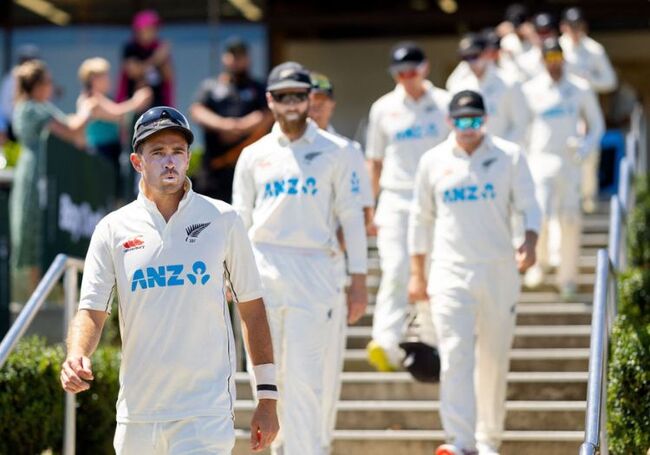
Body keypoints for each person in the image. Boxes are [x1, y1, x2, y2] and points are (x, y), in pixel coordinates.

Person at [60, 106, 279, 454]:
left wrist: (267, 398)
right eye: (158, 153)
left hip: (204, 414)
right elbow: (91, 311)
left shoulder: (224, 219)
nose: (170, 162)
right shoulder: (112, 229)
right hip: (138, 415)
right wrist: (76, 354)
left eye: (178, 151)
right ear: (137, 162)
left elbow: (252, 310)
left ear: (189, 157)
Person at [232, 62, 368, 455]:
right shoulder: (253, 156)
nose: (291, 103)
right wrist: (231, 273)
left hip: (316, 271)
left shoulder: (337, 152)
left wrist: (358, 280)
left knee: (308, 377)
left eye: (299, 95)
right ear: (270, 100)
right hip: (263, 271)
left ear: (311, 99)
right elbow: (239, 220)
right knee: (268, 378)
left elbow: (351, 217)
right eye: (283, 96)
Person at [408, 90, 541, 455]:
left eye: (475, 121)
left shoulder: (509, 156)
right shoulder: (432, 161)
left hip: (499, 270)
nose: (468, 128)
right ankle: (460, 440)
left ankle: (488, 439)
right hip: (449, 271)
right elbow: (419, 220)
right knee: (454, 354)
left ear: (485, 120)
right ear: (449, 122)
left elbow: (530, 206)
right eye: (461, 121)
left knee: (494, 359)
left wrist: (529, 241)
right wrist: (417, 274)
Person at [365, 41, 451, 372]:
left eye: (412, 71)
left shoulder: (444, 103)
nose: (406, 78)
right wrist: (369, 208)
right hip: (395, 198)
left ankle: (430, 340)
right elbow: (374, 162)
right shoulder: (383, 108)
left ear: (425, 68)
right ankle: (384, 341)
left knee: (430, 269)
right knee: (397, 267)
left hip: (435, 201)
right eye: (399, 73)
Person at [307, 70, 374, 455]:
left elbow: (361, 214)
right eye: (308, 100)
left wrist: (352, 272)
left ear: (330, 103)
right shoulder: (272, 150)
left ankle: (320, 444)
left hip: (329, 269)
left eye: (320, 101)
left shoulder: (347, 150)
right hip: (285, 273)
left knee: (326, 367)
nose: (314, 108)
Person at [521, 38, 604, 300]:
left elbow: (597, 125)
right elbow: (522, 129)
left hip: (569, 161)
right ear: (542, 61)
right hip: (540, 159)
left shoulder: (579, 88)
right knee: (541, 215)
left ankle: (567, 277)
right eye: (549, 59)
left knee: (569, 220)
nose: (554, 64)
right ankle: (540, 264)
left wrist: (584, 148)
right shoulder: (530, 89)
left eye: (558, 58)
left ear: (564, 59)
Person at [9, 59, 96, 293]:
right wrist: (87, 109)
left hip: (47, 175)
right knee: (34, 230)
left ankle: (43, 294)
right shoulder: (31, 108)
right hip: (36, 177)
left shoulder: (39, 107)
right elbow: (72, 130)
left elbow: (76, 137)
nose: (51, 86)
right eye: (47, 82)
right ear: (36, 85)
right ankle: (34, 296)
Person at [190, 39, 272, 203]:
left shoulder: (258, 87)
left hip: (251, 166)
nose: (236, 60)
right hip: (214, 168)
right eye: (232, 55)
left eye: (241, 56)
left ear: (248, 59)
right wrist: (224, 126)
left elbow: (269, 114)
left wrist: (241, 127)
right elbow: (196, 111)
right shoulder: (210, 86)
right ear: (224, 58)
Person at [560, 6, 618, 213]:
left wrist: (589, 80)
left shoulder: (594, 49)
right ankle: (570, 199)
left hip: (586, 106)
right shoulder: (556, 48)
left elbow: (610, 81)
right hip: (564, 108)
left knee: (590, 151)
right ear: (563, 27)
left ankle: (588, 199)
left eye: (578, 26)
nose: (575, 31)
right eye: (571, 26)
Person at [77, 57, 152, 194]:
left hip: (111, 151)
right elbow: (118, 114)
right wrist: (137, 101)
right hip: (100, 153)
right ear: (93, 78)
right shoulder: (91, 100)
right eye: (104, 76)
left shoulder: (103, 98)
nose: (108, 79)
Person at [446, 33, 529, 146]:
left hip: (504, 155)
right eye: (465, 58)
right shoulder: (458, 86)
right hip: (471, 155)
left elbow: (521, 124)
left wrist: (499, 152)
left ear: (487, 53)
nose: (471, 62)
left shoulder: (509, 82)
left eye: (474, 56)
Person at [117, 10, 174, 108]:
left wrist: (164, 59)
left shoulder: (158, 46)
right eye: (148, 28)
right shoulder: (131, 47)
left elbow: (168, 76)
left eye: (154, 28)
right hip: (133, 102)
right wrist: (156, 59)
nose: (153, 31)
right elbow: (133, 71)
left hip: (158, 102)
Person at [0, 44, 41, 144]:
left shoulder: (39, 82)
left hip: (32, 129)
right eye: (27, 60)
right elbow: (4, 108)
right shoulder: (10, 80)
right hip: (14, 130)